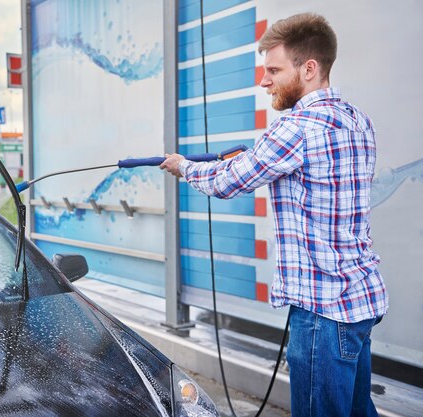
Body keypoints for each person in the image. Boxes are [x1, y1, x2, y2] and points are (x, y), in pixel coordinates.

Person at [160, 13, 388, 417]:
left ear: (309, 68)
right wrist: (252, 158)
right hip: (359, 304)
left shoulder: (295, 128)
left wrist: (184, 166)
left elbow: (229, 181)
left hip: (322, 314)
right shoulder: (358, 120)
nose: (264, 81)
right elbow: (277, 166)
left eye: (273, 70)